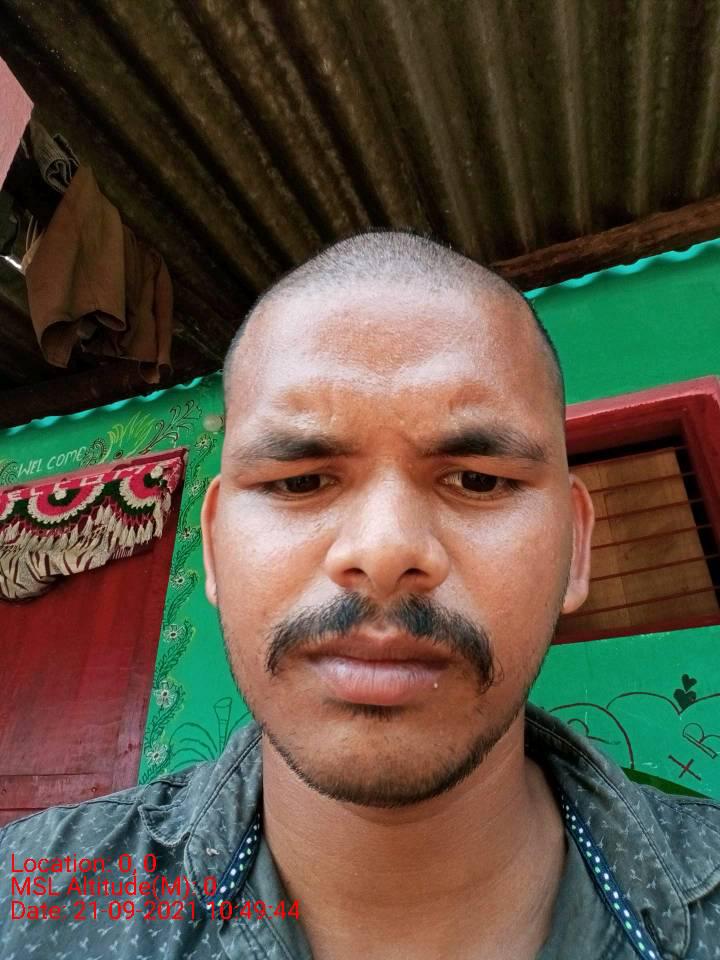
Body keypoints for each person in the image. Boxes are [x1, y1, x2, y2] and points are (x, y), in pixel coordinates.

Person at [2, 230, 719, 959]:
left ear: (575, 546)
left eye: (477, 480)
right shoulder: (27, 901)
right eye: (300, 482)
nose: (383, 553)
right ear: (214, 547)